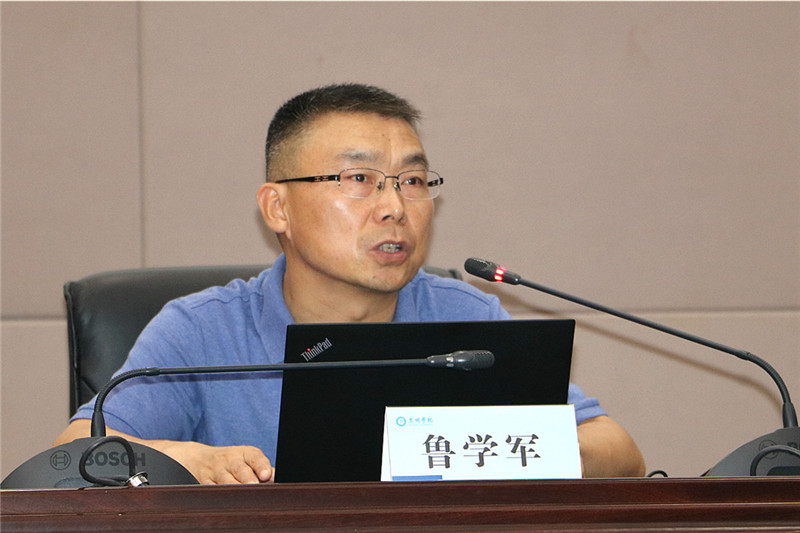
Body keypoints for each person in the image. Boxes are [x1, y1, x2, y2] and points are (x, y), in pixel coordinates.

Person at [54, 83, 645, 483]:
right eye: (359, 179)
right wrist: (185, 460)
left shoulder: (467, 320)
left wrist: (467, 449)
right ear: (278, 208)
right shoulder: (203, 331)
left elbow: (618, 453)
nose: (394, 207)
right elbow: (73, 455)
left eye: (413, 181)